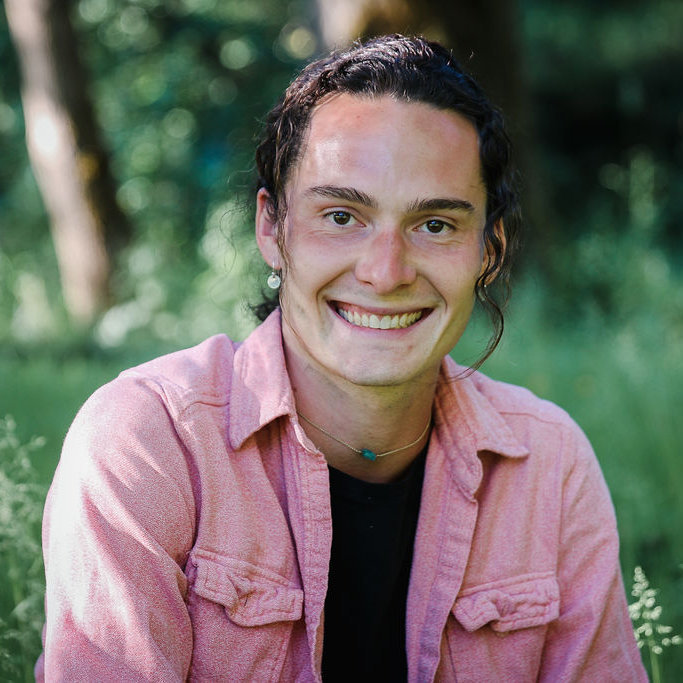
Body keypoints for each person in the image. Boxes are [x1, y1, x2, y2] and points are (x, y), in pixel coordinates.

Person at [37, 34, 646, 681]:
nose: (385, 272)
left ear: (488, 251)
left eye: (435, 225)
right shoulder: (149, 444)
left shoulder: (549, 465)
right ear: (271, 228)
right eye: (341, 216)